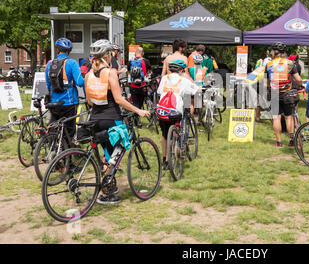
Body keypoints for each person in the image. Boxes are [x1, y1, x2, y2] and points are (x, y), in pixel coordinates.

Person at [85, 39, 150, 205]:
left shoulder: (88, 74)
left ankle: (109, 186)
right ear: (107, 55)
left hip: (94, 118)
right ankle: (105, 193)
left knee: (108, 154)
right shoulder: (110, 72)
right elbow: (119, 99)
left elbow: (90, 101)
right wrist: (138, 110)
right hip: (110, 118)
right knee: (116, 152)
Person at [157, 59, 200, 170]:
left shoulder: (164, 79)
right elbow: (195, 90)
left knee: (164, 134)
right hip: (175, 110)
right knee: (176, 131)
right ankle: (174, 154)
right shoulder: (183, 80)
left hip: (162, 110)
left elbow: (159, 92)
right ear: (181, 70)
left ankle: (165, 159)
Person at [45, 37, 85, 139]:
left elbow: (48, 84)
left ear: (57, 50)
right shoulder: (72, 63)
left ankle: (53, 148)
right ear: (69, 51)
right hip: (69, 102)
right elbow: (80, 82)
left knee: (54, 127)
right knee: (69, 129)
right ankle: (66, 152)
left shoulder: (49, 64)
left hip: (54, 102)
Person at [265, 42, 303, 147]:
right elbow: (298, 79)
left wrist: (268, 88)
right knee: (288, 117)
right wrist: (301, 85)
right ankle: (291, 141)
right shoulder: (290, 63)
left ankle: (279, 142)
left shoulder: (268, 64)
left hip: (274, 94)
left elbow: (266, 82)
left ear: (273, 52)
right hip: (288, 93)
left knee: (276, 118)